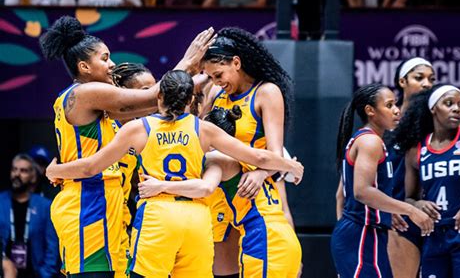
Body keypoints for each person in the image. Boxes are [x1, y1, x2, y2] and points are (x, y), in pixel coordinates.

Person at [45, 70, 304, 278]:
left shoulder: (138, 128)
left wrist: (56, 169)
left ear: (158, 99)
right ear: (191, 101)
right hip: (197, 218)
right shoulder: (205, 129)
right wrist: (289, 165)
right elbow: (257, 156)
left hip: (158, 214)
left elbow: (91, 166)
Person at [39, 15, 214, 277]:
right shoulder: (84, 93)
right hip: (88, 203)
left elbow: (157, 103)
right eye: (105, 58)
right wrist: (188, 62)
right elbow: (152, 95)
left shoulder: (100, 107)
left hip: (105, 202)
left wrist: (209, 77)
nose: (112, 65)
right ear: (85, 66)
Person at [138, 105, 303, 278]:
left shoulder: (216, 159)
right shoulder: (255, 156)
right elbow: (278, 160)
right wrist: (291, 166)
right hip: (286, 237)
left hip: (263, 238)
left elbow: (205, 187)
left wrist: (161, 186)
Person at [194, 27, 297, 277]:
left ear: (236, 62)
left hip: (249, 188)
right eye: (211, 77)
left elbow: (275, 154)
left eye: (219, 74)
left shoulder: (266, 93)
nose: (218, 82)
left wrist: (262, 174)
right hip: (218, 191)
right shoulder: (215, 92)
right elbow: (197, 139)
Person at [331, 83, 433, 278]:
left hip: (366, 234)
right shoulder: (370, 141)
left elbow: (341, 195)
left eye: (395, 104)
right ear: (370, 111)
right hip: (360, 235)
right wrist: (410, 210)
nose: (396, 110)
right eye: (389, 105)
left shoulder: (369, 140)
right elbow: (362, 191)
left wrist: (384, 211)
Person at [392, 85, 460, 278]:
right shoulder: (416, 150)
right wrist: (418, 204)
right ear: (433, 109)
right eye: (449, 103)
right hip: (434, 235)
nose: (456, 109)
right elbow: (408, 198)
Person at [386, 57, 435, 278]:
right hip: (396, 219)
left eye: (431, 79)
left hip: (433, 217)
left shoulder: (437, 125)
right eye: (419, 78)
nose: (426, 84)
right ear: (402, 81)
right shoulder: (384, 123)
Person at [110, 62, 156, 278]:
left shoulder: (144, 130)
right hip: (96, 218)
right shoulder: (103, 124)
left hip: (122, 222)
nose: (155, 97)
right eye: (147, 92)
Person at [0, 154, 59, 278]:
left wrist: (45, 274)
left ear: (32, 177)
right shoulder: (1, 201)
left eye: (23, 171)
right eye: (14, 169)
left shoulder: (45, 206)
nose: (17, 174)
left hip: (36, 273)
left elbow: (52, 247)